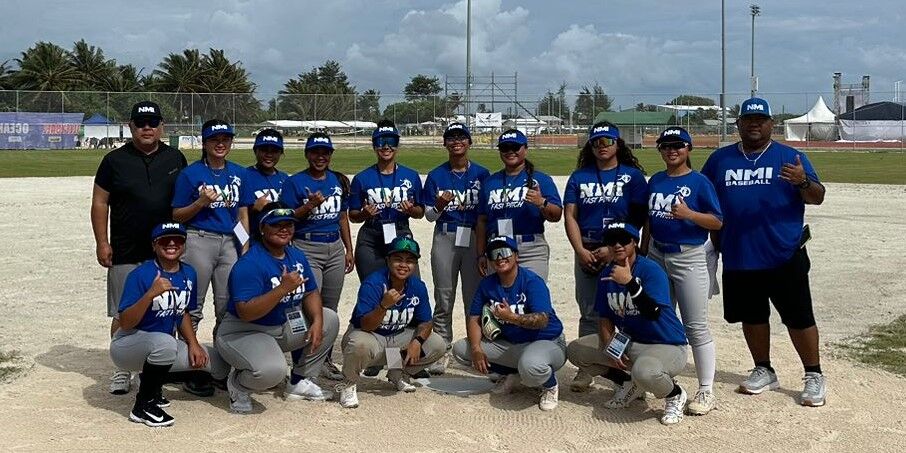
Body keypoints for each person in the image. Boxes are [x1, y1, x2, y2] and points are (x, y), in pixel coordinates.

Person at [701, 97, 827, 407]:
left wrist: (803, 181)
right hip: (740, 254)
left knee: (798, 317)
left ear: (772, 124)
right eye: (748, 120)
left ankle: (813, 374)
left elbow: (818, 197)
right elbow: (702, 197)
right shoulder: (720, 160)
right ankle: (764, 368)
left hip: (784, 253)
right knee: (752, 316)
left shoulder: (790, 157)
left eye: (761, 120)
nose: (754, 124)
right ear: (739, 124)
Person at [92, 100, 187, 395]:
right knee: (123, 313)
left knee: (165, 309)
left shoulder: (175, 158)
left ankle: (156, 370)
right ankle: (122, 369)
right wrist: (102, 242)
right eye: (140, 123)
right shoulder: (114, 161)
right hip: (125, 247)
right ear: (131, 126)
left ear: (162, 127)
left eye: (152, 123)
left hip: (165, 250)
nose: (147, 128)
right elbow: (100, 202)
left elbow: (183, 202)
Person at [216, 203, 340, 413]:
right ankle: (238, 384)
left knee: (329, 319)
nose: (284, 229)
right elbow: (246, 312)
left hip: (281, 326)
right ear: (262, 228)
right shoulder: (250, 263)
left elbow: (310, 291)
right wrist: (282, 289)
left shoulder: (296, 255)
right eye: (277, 225)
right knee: (271, 372)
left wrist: (317, 322)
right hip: (244, 331)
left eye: (289, 225)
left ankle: (298, 382)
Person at [566, 223, 690, 425]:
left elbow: (653, 312)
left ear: (635, 242)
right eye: (612, 241)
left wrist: (630, 283)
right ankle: (627, 383)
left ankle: (675, 394)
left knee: (645, 371)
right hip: (631, 342)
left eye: (623, 240)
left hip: (666, 344)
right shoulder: (607, 274)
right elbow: (604, 316)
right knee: (576, 350)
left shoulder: (650, 270)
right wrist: (609, 347)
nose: (617, 245)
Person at [110, 222, 229, 427]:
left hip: (160, 346)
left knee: (217, 362)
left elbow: (182, 312)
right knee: (165, 344)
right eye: (165, 240)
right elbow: (126, 323)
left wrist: (193, 343)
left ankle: (152, 386)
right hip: (128, 345)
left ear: (184, 245)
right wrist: (149, 295)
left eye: (178, 239)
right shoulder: (141, 274)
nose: (172, 243)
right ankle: (143, 406)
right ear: (155, 245)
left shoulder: (188, 273)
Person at [563, 122, 647, 392]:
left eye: (608, 141)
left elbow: (638, 218)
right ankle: (587, 368)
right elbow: (570, 216)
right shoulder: (579, 177)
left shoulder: (632, 176)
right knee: (589, 310)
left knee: (623, 309)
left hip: (621, 250)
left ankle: (624, 368)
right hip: (588, 248)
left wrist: (613, 250)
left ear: (617, 144)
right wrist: (580, 250)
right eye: (597, 142)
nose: (602, 147)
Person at [644, 126, 723, 415]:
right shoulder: (656, 180)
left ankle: (705, 389)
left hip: (688, 255)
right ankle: (661, 379)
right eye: (665, 146)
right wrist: (643, 252)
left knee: (695, 324)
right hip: (656, 253)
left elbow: (717, 221)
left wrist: (690, 215)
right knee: (659, 319)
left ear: (689, 149)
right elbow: (649, 221)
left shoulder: (700, 182)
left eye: (678, 145)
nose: (671, 150)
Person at [452, 236, 566, 411]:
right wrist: (476, 348)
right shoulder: (487, 284)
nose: (499, 258)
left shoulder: (531, 281)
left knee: (531, 368)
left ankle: (550, 385)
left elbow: (543, 319)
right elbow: (474, 317)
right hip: (512, 343)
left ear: (516, 256)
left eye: (505, 252)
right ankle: (510, 374)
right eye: (494, 254)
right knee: (462, 349)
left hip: (546, 341)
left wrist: (512, 318)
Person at [337, 236, 445, 409]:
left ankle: (397, 373)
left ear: (415, 265)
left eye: (409, 261)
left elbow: (426, 322)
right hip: (371, 336)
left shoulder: (417, 286)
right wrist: (383, 306)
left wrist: (417, 342)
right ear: (388, 260)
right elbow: (365, 326)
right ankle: (349, 383)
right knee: (359, 344)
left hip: (396, 338)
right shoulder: (373, 283)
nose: (403, 265)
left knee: (437, 344)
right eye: (398, 259)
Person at [281, 132, 355, 381]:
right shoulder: (295, 182)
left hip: (333, 247)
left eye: (325, 153)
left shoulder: (337, 181)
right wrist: (309, 206)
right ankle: (301, 363)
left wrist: (348, 249)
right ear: (307, 154)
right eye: (315, 152)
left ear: (331, 155)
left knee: (329, 308)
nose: (320, 157)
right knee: (310, 308)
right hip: (307, 247)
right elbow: (288, 218)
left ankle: (323, 359)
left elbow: (342, 217)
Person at [422, 123, 490, 374]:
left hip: (473, 237)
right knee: (444, 294)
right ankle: (443, 348)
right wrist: (439, 205)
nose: (456, 142)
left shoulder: (483, 175)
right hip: (446, 235)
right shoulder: (436, 175)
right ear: (445, 144)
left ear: (470, 142)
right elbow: (429, 216)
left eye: (461, 137)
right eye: (451, 138)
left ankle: (477, 348)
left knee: (474, 296)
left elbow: (487, 212)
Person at [172, 119, 248, 337]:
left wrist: (245, 245)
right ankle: (187, 355)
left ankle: (222, 360)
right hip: (199, 238)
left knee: (227, 305)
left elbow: (242, 213)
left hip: (230, 243)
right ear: (204, 143)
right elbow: (176, 214)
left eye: (225, 139)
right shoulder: (191, 174)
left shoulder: (239, 173)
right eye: (214, 139)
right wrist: (200, 203)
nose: (220, 143)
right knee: (193, 304)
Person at [475, 129, 562, 280]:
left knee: (533, 296)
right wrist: (480, 254)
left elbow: (556, 215)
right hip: (498, 247)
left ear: (525, 149)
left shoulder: (540, 179)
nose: (510, 151)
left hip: (531, 248)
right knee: (500, 298)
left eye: (515, 147)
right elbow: (482, 221)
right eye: (504, 147)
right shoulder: (490, 182)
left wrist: (542, 203)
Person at [348, 120, 425, 281]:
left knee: (409, 285)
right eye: (380, 141)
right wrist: (364, 214)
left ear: (397, 145)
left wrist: (411, 210)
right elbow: (352, 216)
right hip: (371, 237)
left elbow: (420, 212)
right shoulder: (362, 178)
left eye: (391, 141)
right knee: (372, 287)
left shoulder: (411, 176)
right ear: (374, 145)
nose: (386, 146)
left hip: (401, 231)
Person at [239, 128, 289, 239]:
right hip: (254, 242)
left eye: (274, 151)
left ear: (281, 153)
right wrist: (253, 209)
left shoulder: (285, 178)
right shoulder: (242, 176)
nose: (269, 155)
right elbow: (233, 219)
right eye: (264, 150)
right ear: (255, 150)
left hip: (280, 242)